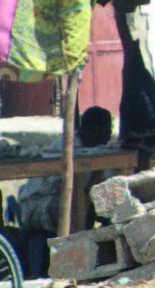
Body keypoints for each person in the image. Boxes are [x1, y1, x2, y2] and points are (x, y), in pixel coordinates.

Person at [15, 107, 112, 278]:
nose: (110, 134)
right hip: (37, 204)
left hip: (53, 198)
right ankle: (74, 264)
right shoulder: (68, 145)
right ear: (96, 129)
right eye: (108, 129)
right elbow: (67, 187)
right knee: (80, 208)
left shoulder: (88, 146)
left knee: (98, 204)